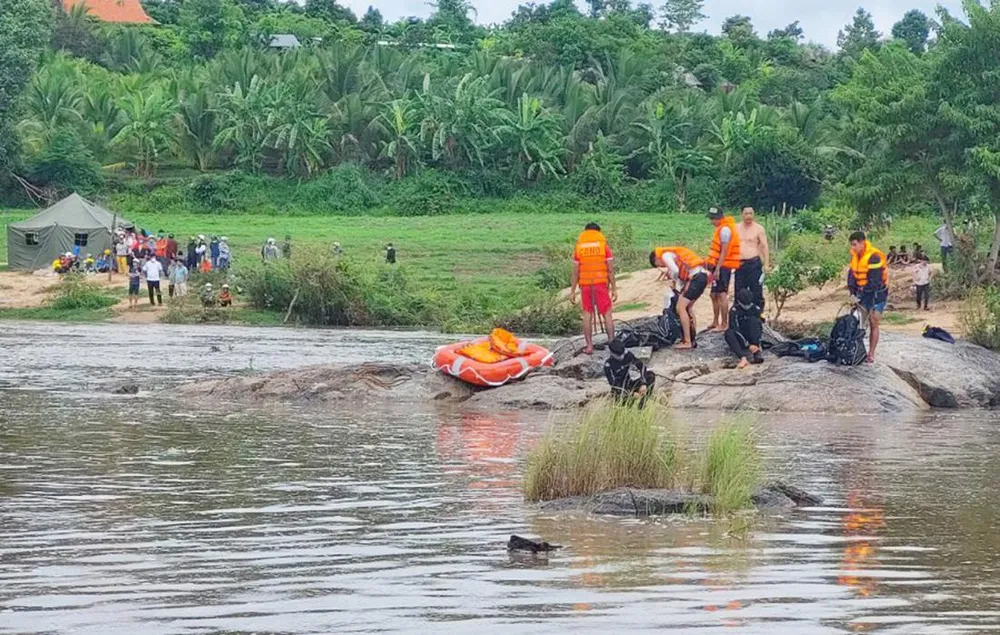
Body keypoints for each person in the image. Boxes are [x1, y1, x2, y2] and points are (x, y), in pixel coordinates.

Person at [649, 246, 709, 349]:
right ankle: (692, 337)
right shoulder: (674, 255)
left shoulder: (665, 255)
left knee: (680, 308)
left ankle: (687, 341)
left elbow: (675, 271)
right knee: (688, 308)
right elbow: (681, 274)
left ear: (656, 259)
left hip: (696, 278)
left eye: (659, 265)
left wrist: (673, 280)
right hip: (702, 276)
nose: (663, 265)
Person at [571, 222, 616, 355]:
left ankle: (589, 346)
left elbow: (575, 272)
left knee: (587, 314)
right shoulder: (604, 247)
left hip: (585, 285)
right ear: (598, 232)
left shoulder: (579, 248)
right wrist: (614, 288)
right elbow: (610, 270)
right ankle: (612, 343)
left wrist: (572, 291)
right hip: (601, 284)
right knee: (607, 314)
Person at [848, 231, 889, 363]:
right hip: (862, 293)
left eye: (855, 244)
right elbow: (852, 277)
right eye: (852, 245)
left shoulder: (874, 257)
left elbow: (875, 281)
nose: (853, 248)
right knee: (857, 322)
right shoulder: (855, 257)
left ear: (862, 242)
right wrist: (853, 294)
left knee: (874, 322)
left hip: (877, 294)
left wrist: (861, 296)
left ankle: (871, 354)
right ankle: (857, 351)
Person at [705, 207, 741, 332]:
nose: (711, 221)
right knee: (713, 294)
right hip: (717, 265)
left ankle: (724, 323)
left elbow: (724, 251)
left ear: (719, 218)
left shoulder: (725, 230)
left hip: (723, 266)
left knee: (721, 294)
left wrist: (718, 269)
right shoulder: (720, 229)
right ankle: (715, 321)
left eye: (712, 219)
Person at [734, 206, 769, 315]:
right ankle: (739, 316)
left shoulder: (759, 228)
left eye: (751, 213)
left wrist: (767, 264)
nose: (749, 216)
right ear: (741, 214)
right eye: (746, 213)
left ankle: (758, 315)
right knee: (739, 291)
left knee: (756, 291)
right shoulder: (735, 228)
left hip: (754, 264)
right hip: (739, 264)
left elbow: (764, 246)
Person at [603, 339, 655, 407]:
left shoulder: (627, 355)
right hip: (620, 389)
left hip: (630, 383)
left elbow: (642, 367)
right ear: (612, 353)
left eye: (622, 353)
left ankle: (643, 403)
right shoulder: (608, 364)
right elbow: (613, 384)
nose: (621, 357)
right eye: (619, 355)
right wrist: (630, 393)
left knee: (650, 375)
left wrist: (643, 383)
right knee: (624, 403)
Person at [725, 289, 764, 369]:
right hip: (740, 337)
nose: (746, 306)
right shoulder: (734, 310)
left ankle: (756, 351)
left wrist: (756, 342)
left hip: (752, 336)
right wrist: (747, 344)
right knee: (729, 333)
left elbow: (759, 327)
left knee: (754, 321)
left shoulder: (755, 309)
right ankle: (743, 358)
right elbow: (735, 328)